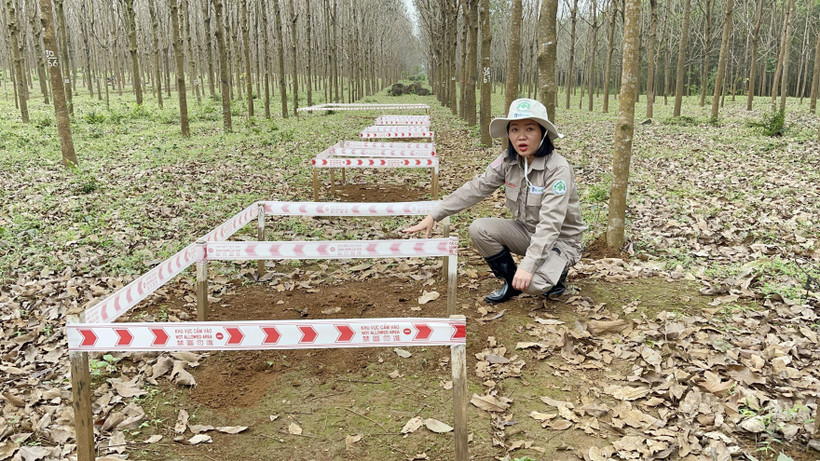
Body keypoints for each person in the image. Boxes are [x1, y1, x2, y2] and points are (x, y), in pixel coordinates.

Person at [403, 98, 586, 303]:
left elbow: (550, 224)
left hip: (560, 240)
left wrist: (527, 267)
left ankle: (556, 274)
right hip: (527, 231)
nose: (521, 137)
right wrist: (435, 214)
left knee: (533, 285)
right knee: (479, 228)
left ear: (543, 132)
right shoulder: (509, 160)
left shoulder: (557, 169)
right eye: (515, 130)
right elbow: (477, 187)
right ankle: (511, 282)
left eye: (530, 129)